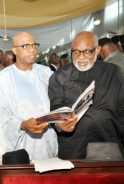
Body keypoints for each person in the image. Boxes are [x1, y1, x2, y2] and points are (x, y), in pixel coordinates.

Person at [48, 31, 124, 159]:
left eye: (87, 52)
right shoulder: (59, 76)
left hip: (108, 144)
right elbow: (55, 109)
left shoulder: (112, 72)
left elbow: (122, 111)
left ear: (98, 50)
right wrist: (59, 125)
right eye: (75, 52)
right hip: (74, 147)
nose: (80, 58)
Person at [0, 32, 58, 161]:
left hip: (47, 142)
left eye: (34, 45)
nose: (32, 49)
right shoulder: (2, 79)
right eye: (26, 46)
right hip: (20, 146)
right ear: (15, 50)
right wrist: (21, 124)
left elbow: (58, 103)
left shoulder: (46, 73)